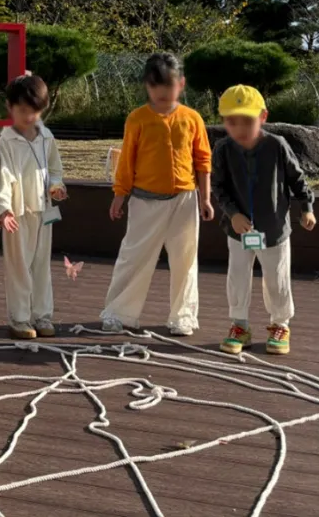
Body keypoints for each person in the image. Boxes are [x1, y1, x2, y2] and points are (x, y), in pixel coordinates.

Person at [101, 53, 214, 336]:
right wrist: (119, 195)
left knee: (185, 261)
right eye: (156, 86)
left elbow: (203, 160)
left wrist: (205, 198)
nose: (162, 92)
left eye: (169, 85)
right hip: (144, 201)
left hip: (185, 200)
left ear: (181, 84)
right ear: (147, 86)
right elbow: (127, 161)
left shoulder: (192, 118)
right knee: (133, 257)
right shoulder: (137, 118)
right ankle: (118, 313)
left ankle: (183, 317)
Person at [212, 85, 315, 356]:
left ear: (263, 116)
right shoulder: (222, 149)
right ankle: (240, 325)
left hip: (274, 229)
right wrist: (233, 213)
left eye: (247, 120)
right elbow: (219, 187)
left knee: (276, 278)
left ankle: (280, 324)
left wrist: (306, 207)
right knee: (237, 276)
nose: (239, 128)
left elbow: (297, 179)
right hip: (238, 231)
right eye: (231, 121)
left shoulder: (276, 145)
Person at [0, 75, 66, 340]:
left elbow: (55, 168)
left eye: (35, 110)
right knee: (19, 266)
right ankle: (19, 317)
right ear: (10, 107)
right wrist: (4, 209)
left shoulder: (46, 136)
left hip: (43, 211)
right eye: (23, 110)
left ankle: (42, 315)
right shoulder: (6, 141)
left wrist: (57, 186)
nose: (29, 116)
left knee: (41, 264)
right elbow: (3, 176)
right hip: (17, 213)